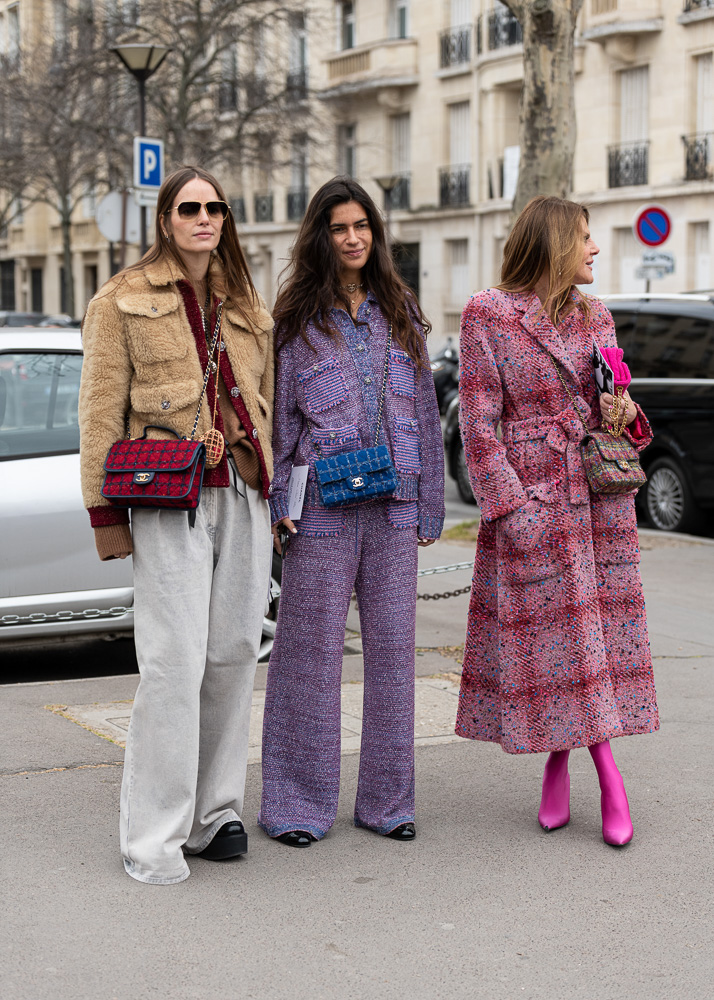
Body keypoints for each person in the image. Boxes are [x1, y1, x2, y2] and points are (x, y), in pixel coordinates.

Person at [78, 166, 274, 883]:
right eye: (189, 207)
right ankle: (153, 839)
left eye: (215, 208)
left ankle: (214, 814)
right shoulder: (121, 300)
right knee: (172, 665)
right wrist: (106, 518)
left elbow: (264, 398)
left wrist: (266, 472)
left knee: (230, 656)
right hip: (166, 499)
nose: (203, 218)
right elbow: (99, 413)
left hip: (242, 497)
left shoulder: (247, 303)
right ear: (166, 219)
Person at [457, 195, 659, 846]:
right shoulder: (488, 314)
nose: (596, 249)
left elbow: (610, 406)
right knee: (559, 646)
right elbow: (477, 424)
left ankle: (574, 763)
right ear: (553, 246)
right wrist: (511, 508)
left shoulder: (596, 313)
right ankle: (605, 773)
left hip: (598, 503)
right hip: (534, 499)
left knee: (592, 642)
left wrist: (623, 412)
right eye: (584, 238)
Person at [258, 177, 444, 846]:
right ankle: (296, 807)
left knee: (394, 660)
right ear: (321, 237)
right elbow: (279, 423)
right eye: (339, 227)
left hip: (393, 506)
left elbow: (424, 412)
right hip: (322, 513)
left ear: (376, 233)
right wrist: (279, 503)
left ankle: (387, 802)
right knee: (308, 660)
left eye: (362, 225)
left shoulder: (401, 310)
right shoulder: (295, 322)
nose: (354, 237)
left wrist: (429, 506)